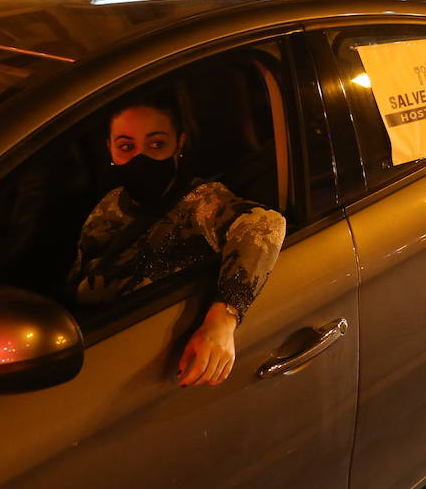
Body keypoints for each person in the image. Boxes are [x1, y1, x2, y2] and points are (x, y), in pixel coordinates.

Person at [69, 94, 287, 387]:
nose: (140, 157)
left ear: (179, 144)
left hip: (150, 366)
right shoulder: (109, 205)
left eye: (156, 144)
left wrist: (223, 318)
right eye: (126, 147)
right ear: (110, 149)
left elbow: (265, 223)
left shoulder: (200, 202)